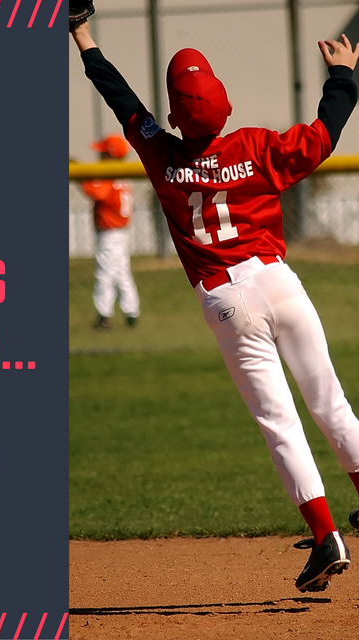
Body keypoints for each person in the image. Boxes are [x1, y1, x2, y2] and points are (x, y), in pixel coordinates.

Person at [71, 20, 359, 593]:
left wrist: (83, 35)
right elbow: (324, 135)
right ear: (224, 104)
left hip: (228, 301)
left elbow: (119, 95)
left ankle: (326, 537)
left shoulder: (160, 152)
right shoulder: (255, 145)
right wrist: (344, 77)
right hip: (280, 283)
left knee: (280, 424)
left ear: (175, 118)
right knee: (330, 401)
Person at [81, 134, 140, 328]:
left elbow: (97, 192)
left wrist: (81, 176)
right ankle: (131, 312)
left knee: (104, 273)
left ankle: (103, 316)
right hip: (121, 231)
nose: (99, 157)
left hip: (110, 232)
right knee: (122, 272)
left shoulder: (110, 175)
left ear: (111, 156)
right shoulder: (123, 174)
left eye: (103, 153)